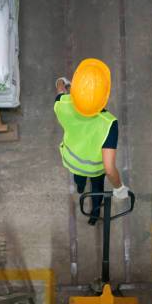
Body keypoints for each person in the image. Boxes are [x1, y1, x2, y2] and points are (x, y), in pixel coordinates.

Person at [54, 58, 129, 225]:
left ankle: (80, 188)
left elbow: (60, 89)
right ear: (105, 95)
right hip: (96, 169)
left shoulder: (63, 104)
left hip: (73, 160)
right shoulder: (109, 123)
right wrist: (119, 188)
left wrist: (62, 82)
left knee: (78, 178)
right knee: (97, 188)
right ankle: (94, 215)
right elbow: (109, 169)